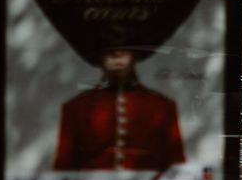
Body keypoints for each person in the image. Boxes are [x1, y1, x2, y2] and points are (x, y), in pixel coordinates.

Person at [53, 49, 186, 171]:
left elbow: (177, 167)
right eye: (108, 48)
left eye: (125, 48)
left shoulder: (162, 106)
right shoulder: (76, 108)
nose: (117, 54)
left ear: (135, 55)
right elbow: (63, 169)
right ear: (99, 57)